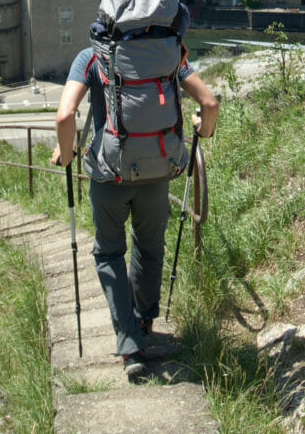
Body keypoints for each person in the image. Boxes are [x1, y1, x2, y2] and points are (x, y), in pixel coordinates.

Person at [52, 27, 218, 378]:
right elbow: (209, 104)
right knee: (149, 244)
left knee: (110, 252)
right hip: (157, 173)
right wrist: (204, 129)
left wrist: (66, 152)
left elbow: (65, 117)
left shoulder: (91, 57)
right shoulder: (168, 55)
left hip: (109, 176)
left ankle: (129, 344)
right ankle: (144, 320)